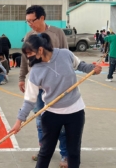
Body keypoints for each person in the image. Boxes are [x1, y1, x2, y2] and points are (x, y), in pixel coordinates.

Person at [10, 34, 102, 168]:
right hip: (51, 114)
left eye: (30, 53)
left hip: (75, 112)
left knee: (74, 152)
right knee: (45, 152)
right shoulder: (35, 72)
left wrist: (93, 69)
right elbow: (29, 100)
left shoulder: (65, 54)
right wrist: (19, 121)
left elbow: (80, 65)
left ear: (40, 50)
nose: (28, 57)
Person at [19, 5, 69, 164]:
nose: (30, 24)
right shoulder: (29, 35)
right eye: (27, 21)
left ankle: (65, 154)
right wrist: (22, 77)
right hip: (37, 86)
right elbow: (24, 59)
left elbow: (67, 57)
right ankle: (44, 149)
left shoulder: (57, 33)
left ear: (42, 18)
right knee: (40, 121)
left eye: (32, 20)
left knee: (59, 122)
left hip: (56, 86)